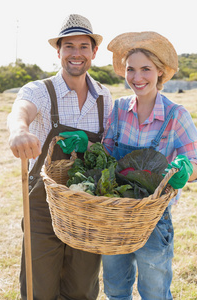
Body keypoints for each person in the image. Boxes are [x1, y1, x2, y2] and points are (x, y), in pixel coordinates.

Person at [7, 14, 112, 300]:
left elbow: (107, 149)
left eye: (83, 46)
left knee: (82, 286)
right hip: (43, 205)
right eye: (69, 46)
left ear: (93, 52)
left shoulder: (105, 97)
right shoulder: (40, 90)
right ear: (58, 52)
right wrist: (19, 131)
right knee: (39, 286)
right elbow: (20, 112)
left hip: (87, 205)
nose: (76, 53)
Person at [102, 31, 197, 300]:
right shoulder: (118, 109)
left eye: (146, 69)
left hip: (153, 221)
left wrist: (185, 170)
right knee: (116, 290)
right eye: (131, 70)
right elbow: (107, 155)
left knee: (154, 293)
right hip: (114, 216)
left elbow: (195, 160)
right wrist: (86, 145)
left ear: (160, 73)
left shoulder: (175, 115)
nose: (137, 77)